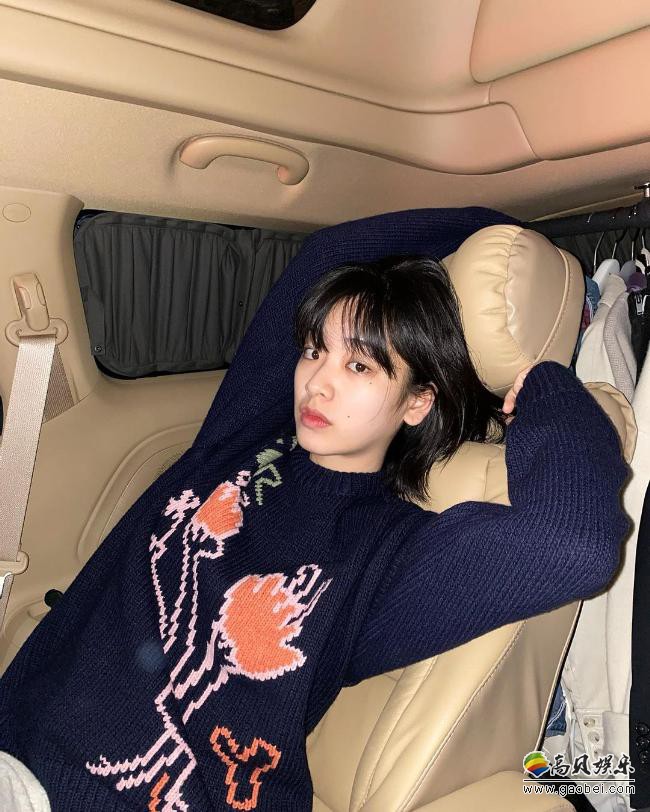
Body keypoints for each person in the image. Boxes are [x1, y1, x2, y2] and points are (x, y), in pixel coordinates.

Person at [0, 206, 631, 811]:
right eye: (313, 350)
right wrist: (507, 227)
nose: (317, 382)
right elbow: (328, 253)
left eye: (359, 365)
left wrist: (543, 378)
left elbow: (572, 545)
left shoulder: (385, 552)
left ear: (417, 402)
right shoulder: (244, 437)